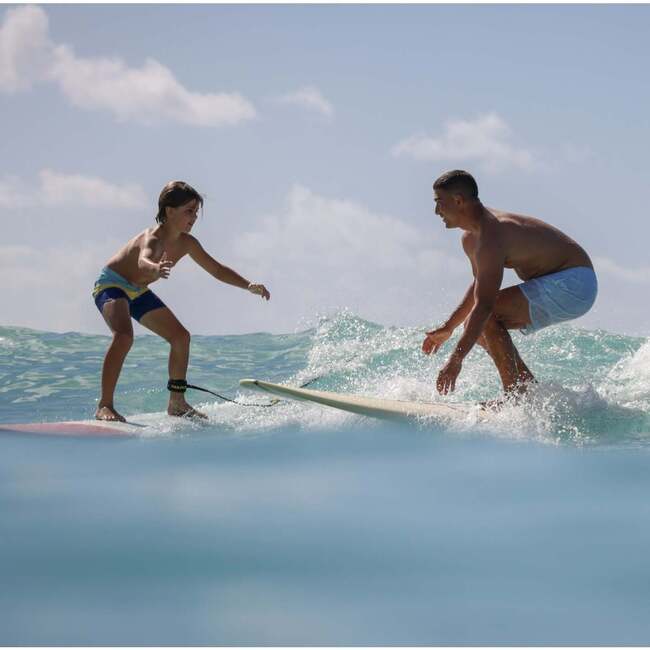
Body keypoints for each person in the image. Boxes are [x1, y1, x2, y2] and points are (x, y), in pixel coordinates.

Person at [92, 180, 270, 422]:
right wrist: (155, 268)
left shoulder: (187, 243)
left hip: (137, 291)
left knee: (180, 337)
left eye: (196, 212)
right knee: (123, 336)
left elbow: (217, 270)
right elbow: (143, 260)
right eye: (189, 211)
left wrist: (248, 285)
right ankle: (105, 405)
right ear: (169, 210)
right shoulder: (153, 238)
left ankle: (176, 402)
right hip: (112, 285)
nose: (194, 217)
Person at [422, 170, 597, 403]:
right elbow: (480, 287)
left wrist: (456, 360)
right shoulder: (472, 238)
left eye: (439, 203)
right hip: (567, 282)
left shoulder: (491, 234)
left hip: (575, 282)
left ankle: (514, 397)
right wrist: (449, 327)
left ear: (458, 200)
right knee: (473, 325)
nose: (436, 212)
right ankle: (528, 391)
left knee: (486, 316)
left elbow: (485, 305)